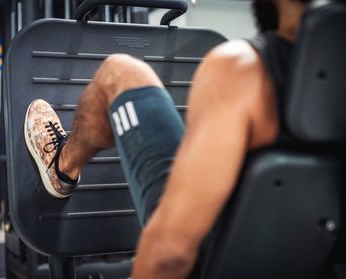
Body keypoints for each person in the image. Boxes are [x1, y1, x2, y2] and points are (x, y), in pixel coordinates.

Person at [24, 0, 311, 278]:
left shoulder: (242, 69)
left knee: (119, 72)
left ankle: (62, 166)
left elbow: (169, 256)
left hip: (211, 258)